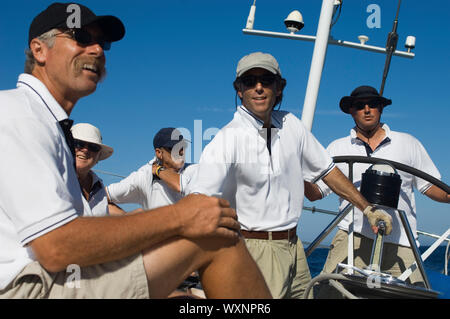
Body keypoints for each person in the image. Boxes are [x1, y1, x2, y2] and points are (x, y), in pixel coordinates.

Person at [0, 3, 271, 299]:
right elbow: (56, 247)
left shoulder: (45, 122)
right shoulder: (19, 113)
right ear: (39, 50)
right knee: (216, 238)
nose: (97, 50)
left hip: (55, 277)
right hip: (28, 287)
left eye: (101, 42)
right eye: (80, 37)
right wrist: (180, 216)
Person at [185, 52, 393, 299]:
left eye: (267, 80)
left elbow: (327, 170)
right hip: (254, 250)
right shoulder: (226, 139)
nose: (259, 88)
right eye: (250, 81)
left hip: (295, 247)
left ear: (279, 87)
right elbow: (198, 198)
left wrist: (367, 209)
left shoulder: (291, 124)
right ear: (239, 89)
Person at [305, 85, 450, 290]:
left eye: (372, 104)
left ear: (380, 108)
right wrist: (294, 166)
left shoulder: (408, 144)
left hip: (401, 241)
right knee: (326, 291)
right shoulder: (337, 148)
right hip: (351, 237)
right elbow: (315, 192)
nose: (367, 109)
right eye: (359, 105)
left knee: (416, 293)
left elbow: (431, 187)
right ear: (351, 111)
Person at [106, 127, 197, 211]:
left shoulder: (195, 170)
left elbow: (180, 185)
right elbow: (103, 195)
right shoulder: (144, 175)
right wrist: (127, 219)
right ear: (159, 153)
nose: (181, 152)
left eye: (183, 147)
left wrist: (158, 170)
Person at [71, 122, 124, 216]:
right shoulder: (54, 180)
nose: (85, 150)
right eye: (78, 144)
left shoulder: (99, 187)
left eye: (93, 147)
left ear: (98, 156)